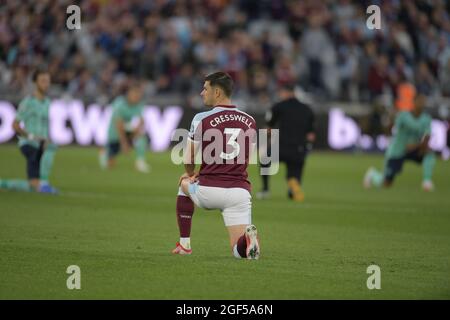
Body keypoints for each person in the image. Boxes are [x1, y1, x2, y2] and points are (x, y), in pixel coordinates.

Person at [172, 71, 260, 259]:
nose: (202, 93)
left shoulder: (201, 119)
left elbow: (188, 159)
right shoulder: (250, 121)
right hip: (239, 193)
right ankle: (247, 240)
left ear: (217, 92)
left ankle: (184, 245)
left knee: (183, 184)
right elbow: (247, 159)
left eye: (205, 88)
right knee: (238, 252)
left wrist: (191, 173)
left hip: (209, 191)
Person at [0, 69, 58, 193]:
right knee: (48, 151)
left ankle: (4, 184)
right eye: (42, 81)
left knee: (33, 185)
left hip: (41, 143)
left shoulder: (47, 102)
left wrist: (46, 137)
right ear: (35, 83)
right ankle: (43, 183)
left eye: (47, 81)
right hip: (29, 144)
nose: (46, 84)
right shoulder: (28, 102)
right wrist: (32, 137)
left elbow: (44, 123)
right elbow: (15, 125)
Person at [364, 94, 436, 191]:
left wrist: (420, 146)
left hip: (413, 149)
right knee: (386, 183)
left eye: (423, 102)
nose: (421, 104)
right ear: (414, 102)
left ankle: (427, 182)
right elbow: (392, 129)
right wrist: (390, 119)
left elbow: (427, 136)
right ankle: (372, 174)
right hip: (397, 151)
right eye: (419, 101)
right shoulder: (403, 116)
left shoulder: (426, 119)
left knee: (429, 153)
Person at [258, 82, 315, 201]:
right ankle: (292, 187)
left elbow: (268, 129)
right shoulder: (307, 109)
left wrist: (264, 144)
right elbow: (311, 136)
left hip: (281, 146)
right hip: (298, 148)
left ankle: (265, 190)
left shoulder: (278, 106)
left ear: (284, 92)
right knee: (294, 170)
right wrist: (307, 148)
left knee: (265, 160)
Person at [99, 82, 150, 173]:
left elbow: (141, 121)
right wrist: (124, 143)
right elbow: (118, 125)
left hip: (127, 129)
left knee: (141, 137)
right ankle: (105, 153)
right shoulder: (119, 104)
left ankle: (140, 162)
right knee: (110, 164)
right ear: (129, 94)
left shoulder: (139, 104)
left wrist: (135, 134)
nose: (137, 97)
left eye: (138, 95)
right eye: (135, 94)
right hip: (115, 132)